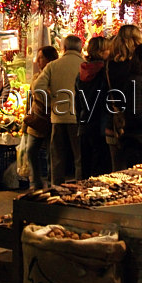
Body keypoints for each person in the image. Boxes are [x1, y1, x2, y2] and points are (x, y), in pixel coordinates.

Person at [34, 35, 84, 185]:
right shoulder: (84, 65)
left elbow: (37, 87)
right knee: (79, 157)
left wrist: (50, 103)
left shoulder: (53, 65)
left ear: (64, 48)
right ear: (80, 48)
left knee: (57, 156)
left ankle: (56, 187)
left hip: (58, 118)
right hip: (78, 118)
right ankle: (81, 188)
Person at [105, 25, 142, 171]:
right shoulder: (139, 67)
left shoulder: (109, 65)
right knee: (138, 170)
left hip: (114, 120)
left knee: (118, 169)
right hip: (136, 123)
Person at [75, 37, 112, 177]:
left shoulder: (82, 73)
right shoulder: (105, 73)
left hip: (85, 124)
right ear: (102, 52)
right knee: (101, 170)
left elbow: (77, 102)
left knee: (86, 166)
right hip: (101, 125)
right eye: (108, 49)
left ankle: (83, 195)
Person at [24, 46, 59, 189]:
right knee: (31, 150)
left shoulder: (54, 75)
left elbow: (49, 96)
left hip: (51, 119)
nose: (38, 61)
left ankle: (52, 182)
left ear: (49, 59)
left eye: (41, 57)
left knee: (51, 153)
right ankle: (35, 182)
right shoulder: (36, 76)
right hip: (36, 119)